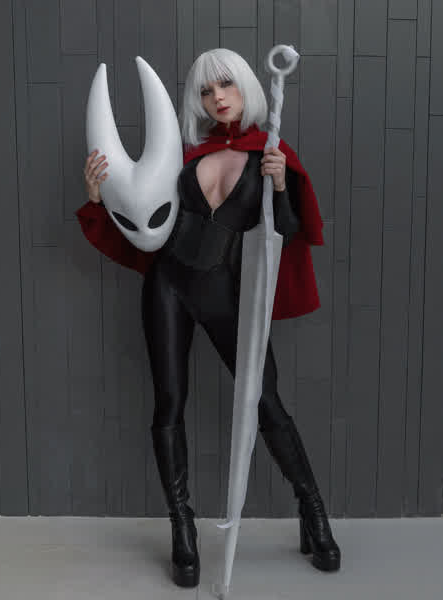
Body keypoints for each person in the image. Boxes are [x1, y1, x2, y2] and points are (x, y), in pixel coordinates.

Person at [77, 48, 341, 589]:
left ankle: (312, 510)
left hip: (226, 293)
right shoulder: (184, 157)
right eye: (205, 90)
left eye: (225, 85)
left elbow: (288, 232)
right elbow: (146, 224)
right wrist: (98, 197)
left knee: (265, 400)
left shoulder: (271, 152)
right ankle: (183, 527)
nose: (217, 97)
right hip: (168, 286)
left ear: (245, 87)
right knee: (169, 402)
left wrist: (280, 185)